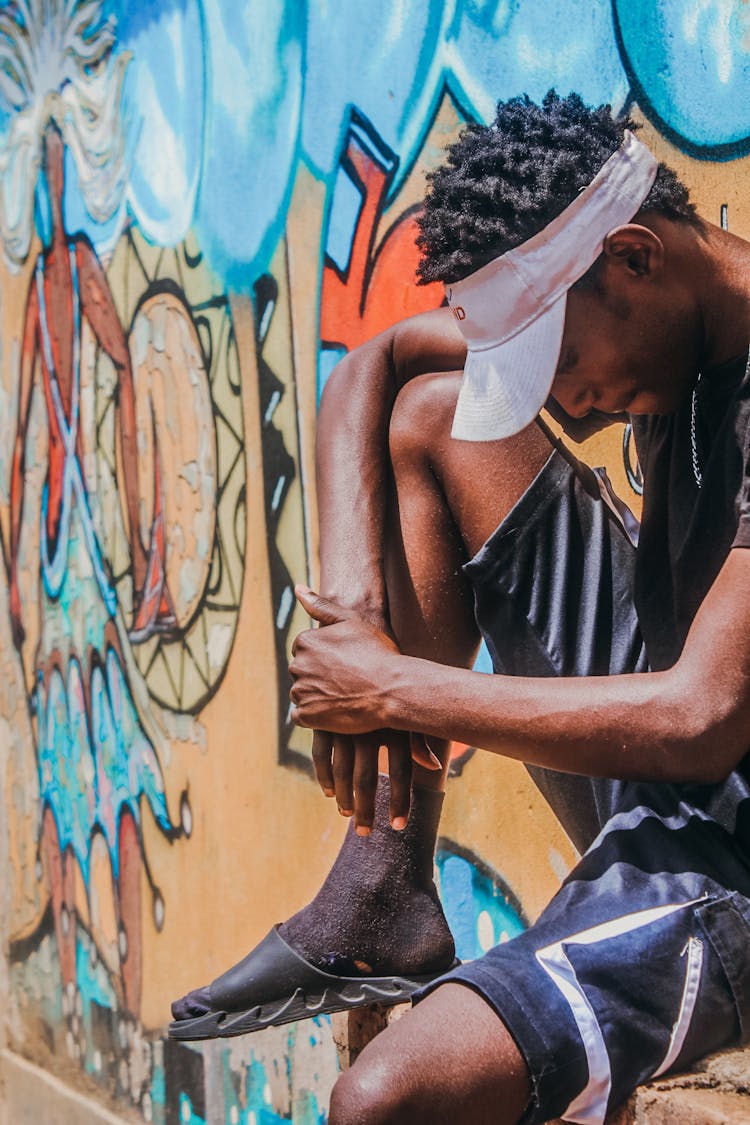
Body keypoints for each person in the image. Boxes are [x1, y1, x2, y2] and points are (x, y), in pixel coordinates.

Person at [171, 92, 750, 1124]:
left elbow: (704, 721)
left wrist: (392, 684)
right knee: (439, 418)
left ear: (631, 257)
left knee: (380, 1101)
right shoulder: (655, 312)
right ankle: (386, 883)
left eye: (562, 362)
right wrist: (350, 613)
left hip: (727, 847)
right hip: (666, 742)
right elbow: (376, 367)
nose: (560, 403)